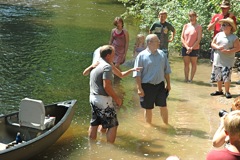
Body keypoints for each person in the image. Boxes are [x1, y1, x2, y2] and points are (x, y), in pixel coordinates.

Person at [133, 34, 171, 124]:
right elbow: (137, 74)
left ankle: (166, 125)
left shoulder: (162, 54)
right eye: (157, 41)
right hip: (147, 86)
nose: (159, 42)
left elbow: (167, 71)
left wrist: (168, 84)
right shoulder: (141, 56)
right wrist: (139, 88)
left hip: (160, 85)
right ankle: (148, 127)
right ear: (150, 43)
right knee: (148, 108)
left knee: (163, 106)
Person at [88, 45, 122, 144]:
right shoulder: (107, 67)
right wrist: (117, 98)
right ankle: (109, 148)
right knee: (113, 125)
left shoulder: (96, 64)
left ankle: (91, 146)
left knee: (94, 123)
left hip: (93, 97)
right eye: (113, 54)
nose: (114, 56)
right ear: (108, 56)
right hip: (103, 100)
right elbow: (107, 86)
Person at [210, 17, 240, 99]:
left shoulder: (234, 37)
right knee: (218, 77)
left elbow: (238, 48)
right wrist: (218, 47)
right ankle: (219, 90)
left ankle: (227, 91)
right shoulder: (218, 35)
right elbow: (212, 44)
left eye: (225, 25)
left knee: (226, 77)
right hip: (217, 59)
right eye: (223, 25)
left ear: (230, 27)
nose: (223, 26)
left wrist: (229, 51)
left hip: (228, 60)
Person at [207, 0, 237, 82]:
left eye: (226, 8)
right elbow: (209, 28)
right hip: (217, 41)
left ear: (228, 8)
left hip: (227, 42)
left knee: (226, 62)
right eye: (222, 8)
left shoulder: (232, 17)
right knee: (215, 61)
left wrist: (230, 18)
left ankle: (225, 80)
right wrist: (215, 22)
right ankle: (215, 79)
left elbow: (233, 30)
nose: (224, 10)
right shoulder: (216, 16)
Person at [181, 11, 202, 83]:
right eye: (190, 16)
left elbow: (198, 39)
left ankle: (191, 79)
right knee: (186, 64)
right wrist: (187, 47)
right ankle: (186, 79)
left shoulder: (199, 27)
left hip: (194, 48)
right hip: (185, 48)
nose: (191, 18)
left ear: (196, 17)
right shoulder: (185, 26)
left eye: (193, 16)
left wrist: (191, 48)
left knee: (193, 64)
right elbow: (182, 37)